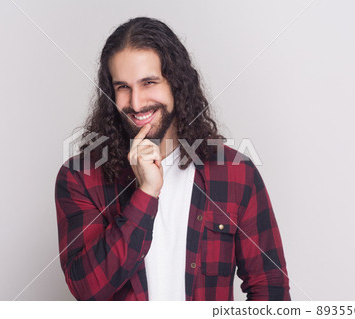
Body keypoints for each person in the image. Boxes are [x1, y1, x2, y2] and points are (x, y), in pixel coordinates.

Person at [55, 17, 290, 301]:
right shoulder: (80, 177)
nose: (137, 102)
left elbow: (270, 289)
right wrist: (146, 194)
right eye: (123, 87)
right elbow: (86, 288)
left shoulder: (236, 174)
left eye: (149, 82)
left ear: (176, 85)